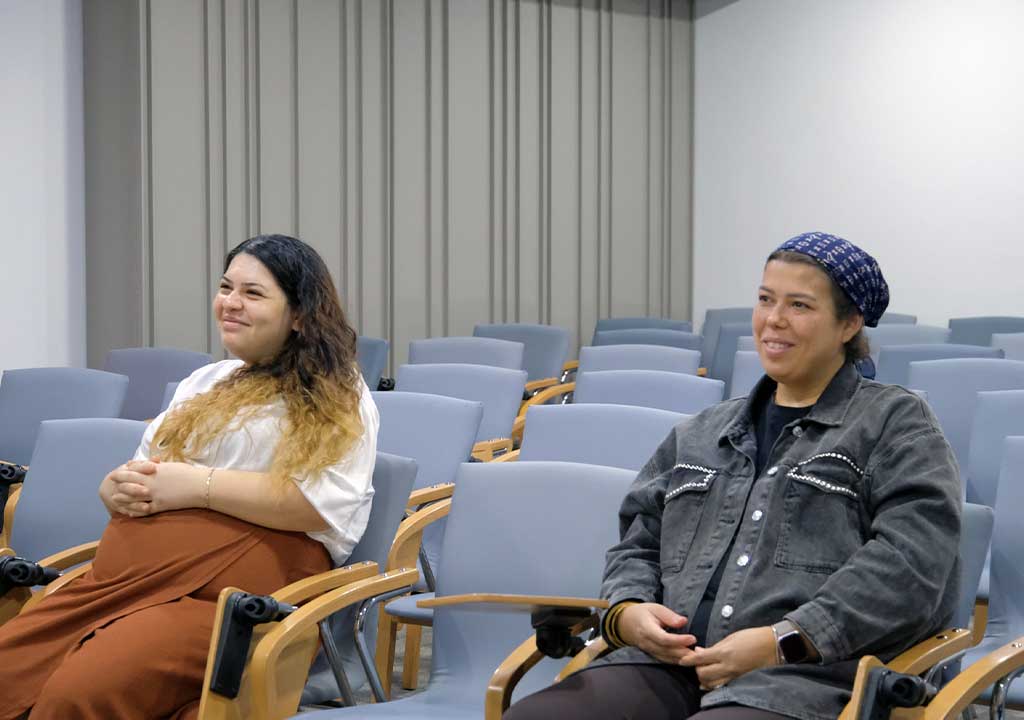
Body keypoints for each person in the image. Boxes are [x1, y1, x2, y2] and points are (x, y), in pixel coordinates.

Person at [505, 232, 961, 720]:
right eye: (765, 300)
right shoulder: (702, 432)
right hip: (663, 663)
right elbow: (639, 540)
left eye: (800, 305)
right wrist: (628, 610)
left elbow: (911, 564)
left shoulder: (894, 423)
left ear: (849, 324)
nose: (774, 320)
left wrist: (785, 640)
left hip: (803, 678)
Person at [0, 234, 379, 720]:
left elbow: (319, 504)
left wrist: (199, 487)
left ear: (300, 314)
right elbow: (151, 469)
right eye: (225, 287)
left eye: (253, 293)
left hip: (231, 602)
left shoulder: (337, 394)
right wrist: (116, 488)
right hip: (122, 581)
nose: (230, 303)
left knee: (78, 694)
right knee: (9, 671)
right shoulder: (206, 381)